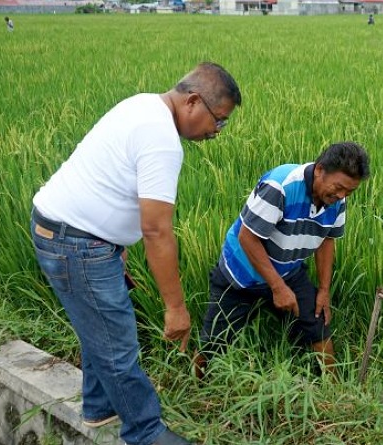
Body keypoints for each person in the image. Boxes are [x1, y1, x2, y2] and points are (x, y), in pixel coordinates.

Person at [30, 62, 241, 445]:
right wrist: (175, 308)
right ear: (193, 101)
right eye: (219, 121)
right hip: (75, 242)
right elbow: (157, 230)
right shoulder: (162, 139)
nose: (216, 132)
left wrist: (115, 246)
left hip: (68, 232)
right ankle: (145, 431)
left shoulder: (143, 104)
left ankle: (98, 408)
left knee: (101, 327)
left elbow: (110, 180)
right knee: (118, 344)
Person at [194, 142, 370, 379]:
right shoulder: (281, 185)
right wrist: (277, 287)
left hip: (288, 270)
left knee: (316, 325)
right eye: (339, 188)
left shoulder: (336, 200)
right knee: (215, 340)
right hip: (241, 273)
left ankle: (337, 389)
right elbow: (248, 238)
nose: (342, 196)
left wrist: (324, 290)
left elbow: (327, 241)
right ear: (319, 169)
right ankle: (195, 384)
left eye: (349, 192)